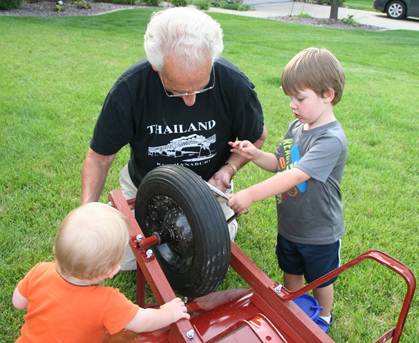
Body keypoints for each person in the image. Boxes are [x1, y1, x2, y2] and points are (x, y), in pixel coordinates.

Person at [81, 7, 266, 269]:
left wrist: (229, 168)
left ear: (211, 61)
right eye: (177, 91)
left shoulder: (234, 84)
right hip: (146, 189)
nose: (190, 101)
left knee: (206, 255)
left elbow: (257, 137)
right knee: (113, 257)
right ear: (157, 69)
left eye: (201, 88)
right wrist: (85, 214)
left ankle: (224, 220)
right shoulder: (130, 89)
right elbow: (100, 158)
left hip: (206, 190)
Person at [228, 47, 347, 333]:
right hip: (291, 226)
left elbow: (294, 176)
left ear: (327, 95)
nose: (293, 105)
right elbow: (281, 164)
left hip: (319, 232)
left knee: (321, 279)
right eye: (290, 98)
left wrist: (251, 194)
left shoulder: (331, 140)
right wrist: (255, 155)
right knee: (290, 270)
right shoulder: (297, 127)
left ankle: (324, 318)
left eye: (300, 98)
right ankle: (291, 308)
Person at [12, 202, 190, 342]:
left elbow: (18, 302)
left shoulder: (40, 271)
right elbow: (142, 321)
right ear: (111, 271)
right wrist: (168, 313)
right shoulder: (107, 301)